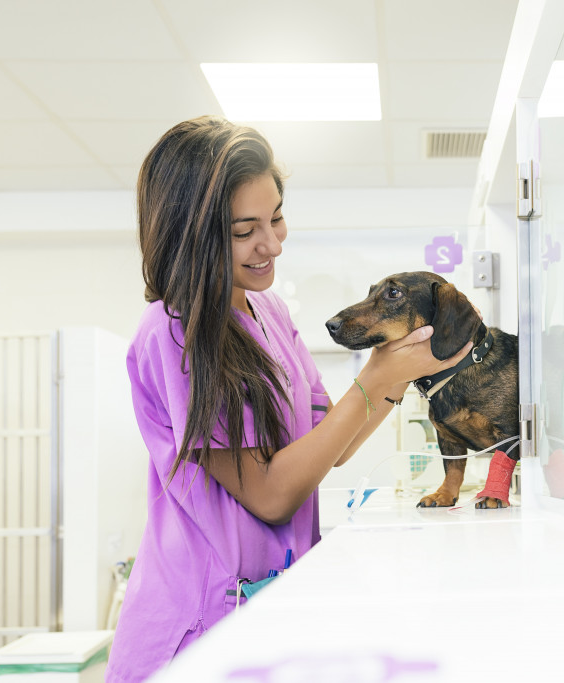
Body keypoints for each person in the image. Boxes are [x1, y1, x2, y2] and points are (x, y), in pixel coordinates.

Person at [105, 116, 472, 682]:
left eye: (276, 216)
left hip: (270, 610)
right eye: (244, 229)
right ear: (192, 234)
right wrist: (375, 379)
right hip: (200, 629)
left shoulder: (269, 312)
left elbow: (331, 447)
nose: (272, 243)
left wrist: (401, 372)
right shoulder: (174, 332)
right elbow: (271, 494)